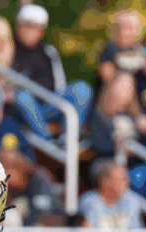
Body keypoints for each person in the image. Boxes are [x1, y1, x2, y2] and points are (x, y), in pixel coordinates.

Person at [10, 4, 92, 142]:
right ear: (18, 25)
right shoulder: (8, 49)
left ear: (42, 30)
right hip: (22, 110)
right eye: (28, 25)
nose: (31, 31)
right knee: (21, 94)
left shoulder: (49, 52)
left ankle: (69, 140)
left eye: (37, 27)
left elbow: (60, 86)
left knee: (82, 89)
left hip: (48, 105)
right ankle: (47, 140)